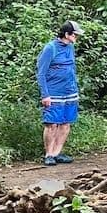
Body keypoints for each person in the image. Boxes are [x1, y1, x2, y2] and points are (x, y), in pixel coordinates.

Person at [37, 20, 82, 166]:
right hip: (53, 92)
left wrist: (75, 88)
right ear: (67, 34)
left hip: (69, 92)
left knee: (65, 123)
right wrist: (45, 94)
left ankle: (57, 153)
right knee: (52, 124)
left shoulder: (70, 48)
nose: (77, 37)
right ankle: (48, 154)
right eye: (75, 35)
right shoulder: (50, 48)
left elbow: (71, 69)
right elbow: (41, 73)